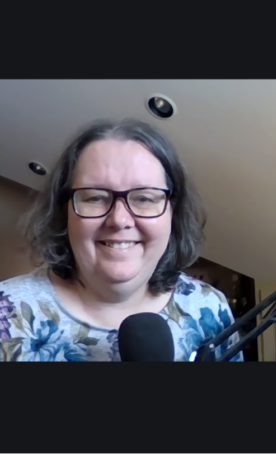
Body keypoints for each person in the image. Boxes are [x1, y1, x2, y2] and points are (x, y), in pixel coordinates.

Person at [0, 119, 242, 361]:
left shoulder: (208, 308)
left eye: (144, 198)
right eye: (95, 198)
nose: (119, 220)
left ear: (173, 212)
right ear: (65, 212)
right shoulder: (7, 313)